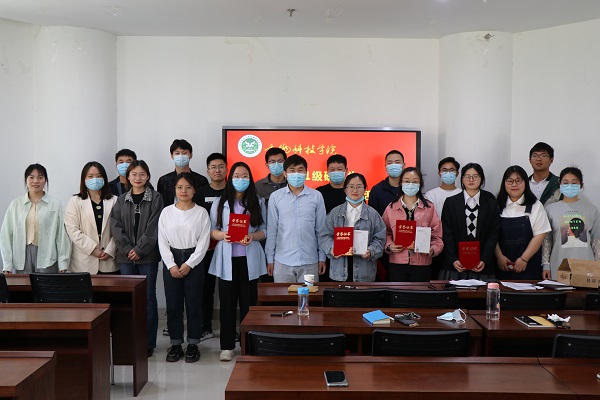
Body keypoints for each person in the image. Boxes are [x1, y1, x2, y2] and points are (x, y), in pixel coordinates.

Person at [209, 162, 267, 362]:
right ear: (230, 178)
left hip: (249, 260)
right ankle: (227, 346)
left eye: (244, 176)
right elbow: (212, 230)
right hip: (227, 260)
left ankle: (247, 344)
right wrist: (222, 235)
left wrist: (253, 236)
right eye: (236, 176)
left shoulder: (257, 202)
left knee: (248, 304)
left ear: (250, 179)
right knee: (227, 304)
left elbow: (264, 230)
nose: (240, 179)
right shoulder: (220, 202)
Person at [110, 160, 163, 357]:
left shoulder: (156, 198)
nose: (138, 178)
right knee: (129, 300)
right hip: (126, 258)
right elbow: (115, 226)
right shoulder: (121, 199)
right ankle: (130, 341)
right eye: (134, 174)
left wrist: (139, 249)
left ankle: (148, 343)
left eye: (142, 174)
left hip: (147, 257)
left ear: (147, 176)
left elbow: (154, 227)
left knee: (148, 299)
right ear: (128, 177)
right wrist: (127, 249)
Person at [158, 172, 211, 363]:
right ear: (174, 189)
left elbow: (204, 242)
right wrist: (171, 265)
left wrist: (189, 264)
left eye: (188, 187)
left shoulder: (201, 212)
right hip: (171, 260)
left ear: (194, 190)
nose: (184, 191)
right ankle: (175, 344)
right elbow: (162, 241)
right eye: (180, 187)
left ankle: (193, 344)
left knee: (194, 304)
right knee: (173, 306)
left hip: (194, 261)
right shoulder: (166, 212)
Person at [265, 154, 327, 283]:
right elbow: (272, 230)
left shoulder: (316, 196)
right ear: (285, 173)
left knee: (309, 295)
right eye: (292, 170)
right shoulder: (276, 197)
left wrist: (322, 257)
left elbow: (321, 230)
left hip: (310, 261)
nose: (296, 174)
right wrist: (270, 259)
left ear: (306, 173)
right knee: (283, 296)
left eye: (300, 170)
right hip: (282, 261)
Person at [0, 164, 71, 273]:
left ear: (45, 180)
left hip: (48, 255)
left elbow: (62, 235)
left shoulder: (55, 205)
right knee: (23, 284)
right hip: (21, 256)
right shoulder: (16, 204)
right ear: (26, 180)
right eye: (31, 177)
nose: (36, 181)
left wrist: (63, 264)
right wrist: (7, 264)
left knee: (46, 284)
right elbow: (6, 235)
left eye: (40, 177)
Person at [319, 173, 386, 282]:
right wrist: (332, 248)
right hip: (339, 272)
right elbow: (324, 235)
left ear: (365, 189)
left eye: (359, 187)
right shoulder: (335, 213)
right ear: (345, 189)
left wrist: (371, 251)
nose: (355, 190)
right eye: (351, 186)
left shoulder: (373, 214)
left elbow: (380, 238)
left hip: (364, 271)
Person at [439, 163, 500, 280]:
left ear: (482, 178)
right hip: (455, 265)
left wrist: (484, 259)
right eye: (467, 176)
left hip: (482, 265)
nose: (471, 179)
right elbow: (447, 233)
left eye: (475, 176)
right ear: (462, 179)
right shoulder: (451, 202)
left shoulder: (490, 202)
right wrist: (453, 259)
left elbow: (493, 234)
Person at [382, 167, 443, 281]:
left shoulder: (429, 208)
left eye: (415, 181)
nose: (410, 185)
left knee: (420, 292)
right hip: (397, 264)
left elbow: (437, 236)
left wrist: (433, 249)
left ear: (420, 184)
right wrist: (389, 246)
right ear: (401, 183)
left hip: (422, 264)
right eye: (407, 181)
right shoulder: (391, 208)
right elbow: (385, 232)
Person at [542, 167, 600, 280]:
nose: (569, 186)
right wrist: (546, 265)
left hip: (586, 266)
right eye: (565, 182)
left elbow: (596, 240)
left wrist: (598, 265)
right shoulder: (550, 209)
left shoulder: (591, 210)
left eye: (574, 183)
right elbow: (547, 240)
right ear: (560, 184)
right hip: (558, 264)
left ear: (581, 185)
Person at [495, 166, 551, 280]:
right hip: (501, 266)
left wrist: (524, 259)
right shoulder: (496, 205)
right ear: (504, 184)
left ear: (525, 182)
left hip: (529, 265)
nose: (514, 185)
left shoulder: (536, 206)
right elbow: (491, 235)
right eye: (510, 181)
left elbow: (540, 234)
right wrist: (499, 256)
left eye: (518, 181)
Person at [64, 161, 119, 274]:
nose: (95, 179)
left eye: (99, 176)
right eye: (90, 176)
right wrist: (93, 249)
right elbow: (72, 230)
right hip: (83, 263)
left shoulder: (114, 200)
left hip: (109, 262)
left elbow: (120, 229)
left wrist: (110, 251)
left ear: (104, 178)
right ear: (84, 179)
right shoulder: (75, 201)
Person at [196, 152, 228, 342]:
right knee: (205, 289)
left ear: (226, 169)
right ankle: (205, 327)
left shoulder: (233, 191)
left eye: (221, 166)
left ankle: (228, 329)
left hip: (228, 248)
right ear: (208, 170)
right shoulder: (200, 193)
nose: (217, 170)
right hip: (205, 249)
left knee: (228, 291)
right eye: (213, 167)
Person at [157, 139, 208, 207]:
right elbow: (160, 204)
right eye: (177, 153)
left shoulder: (201, 180)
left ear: (191, 155)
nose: (181, 156)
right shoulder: (164, 181)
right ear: (172, 156)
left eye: (184, 153)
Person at [368, 150, 404, 216]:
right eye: (390, 163)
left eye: (397, 162)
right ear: (386, 167)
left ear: (403, 165)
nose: (393, 165)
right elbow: (372, 217)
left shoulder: (410, 188)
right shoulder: (376, 190)